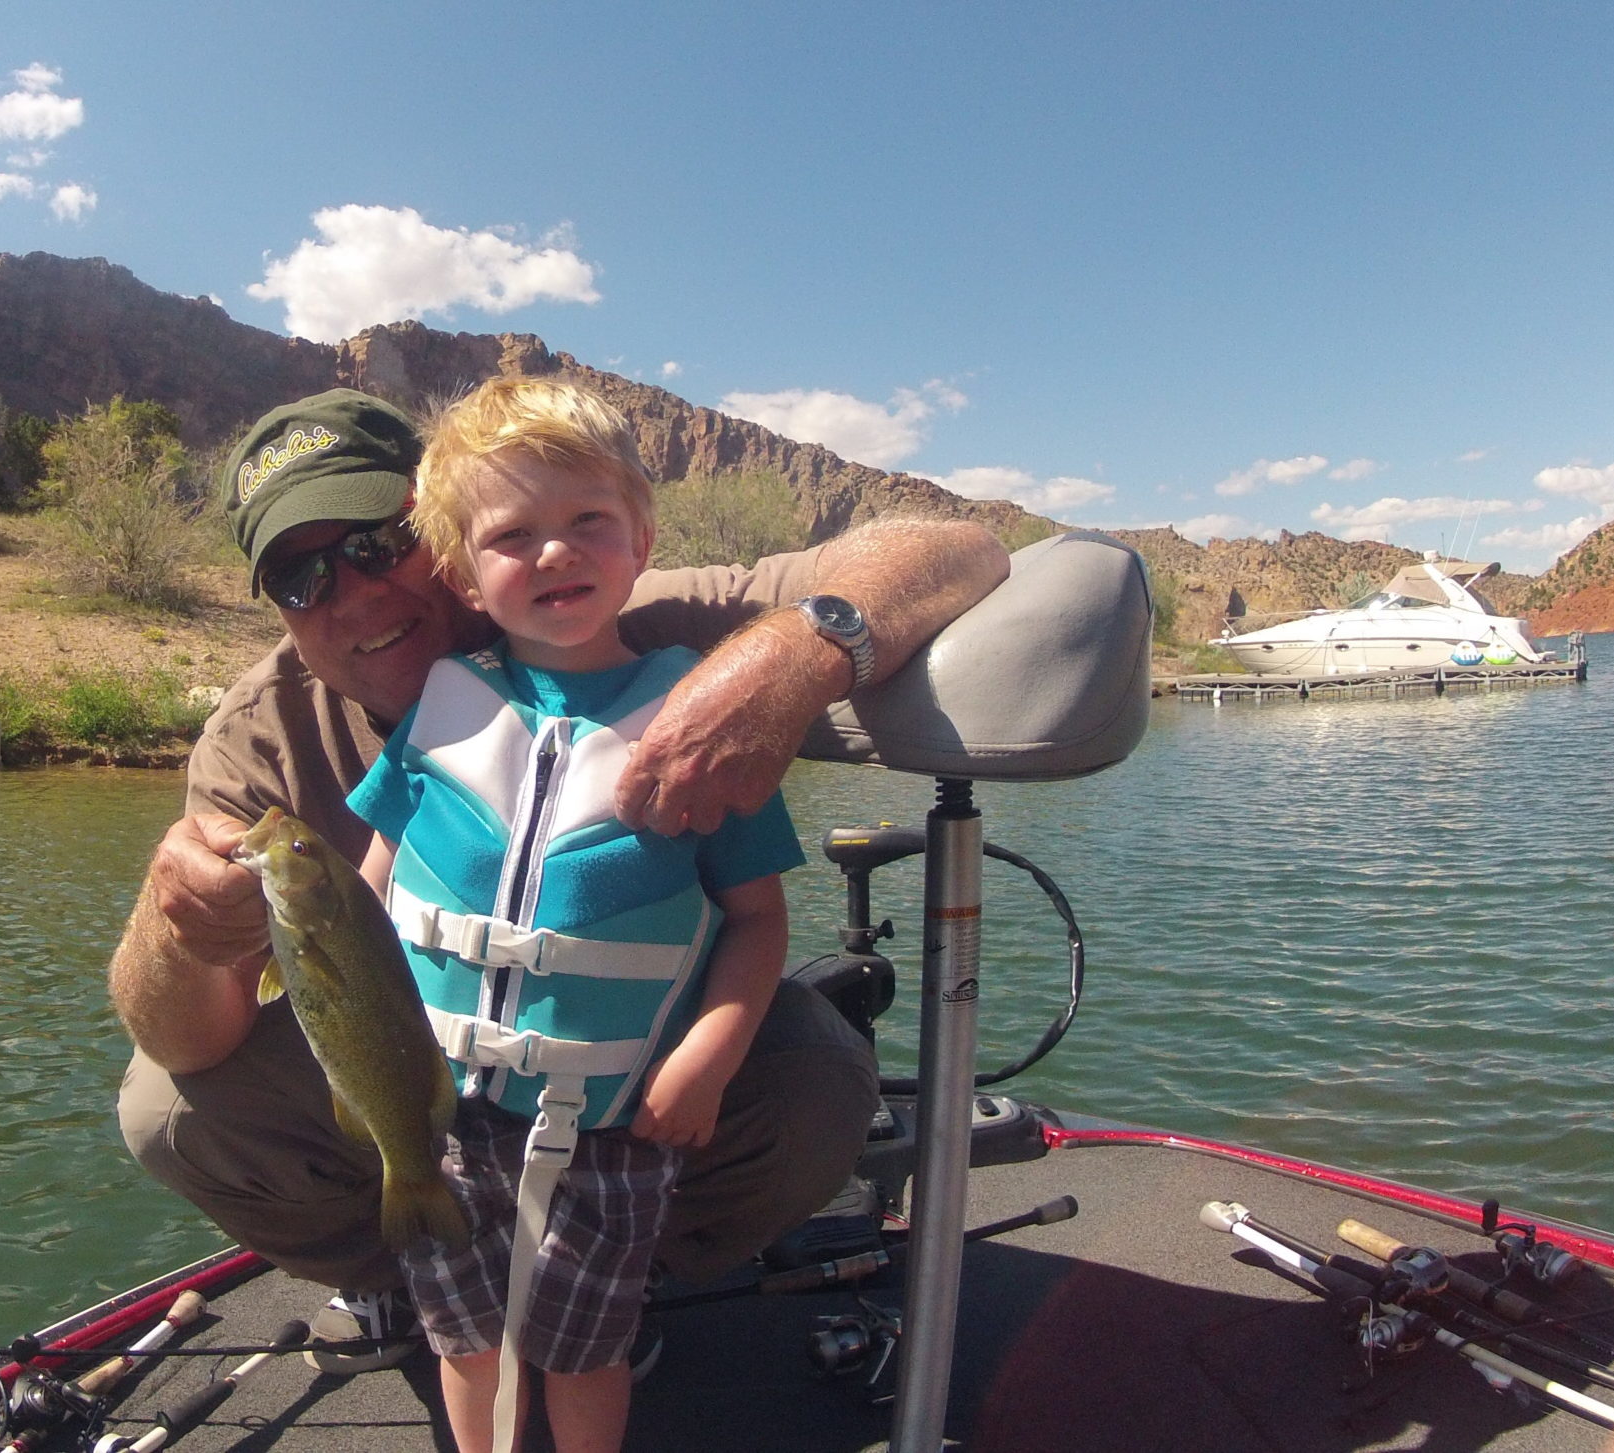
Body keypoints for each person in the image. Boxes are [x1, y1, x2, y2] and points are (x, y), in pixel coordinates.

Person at [108, 386, 1008, 1377]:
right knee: (169, 1110)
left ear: (439, 533)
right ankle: (416, 1271)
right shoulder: (260, 734)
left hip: (621, 1077)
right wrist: (175, 918)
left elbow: (959, 549)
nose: (353, 594)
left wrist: (800, 653)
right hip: (428, 1082)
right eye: (299, 576)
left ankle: (614, 1278)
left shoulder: (597, 597)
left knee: (816, 1078)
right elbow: (186, 1037)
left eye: (373, 544)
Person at [346, 377, 805, 1453]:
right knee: (466, 1338)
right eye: (514, 535)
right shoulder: (441, 707)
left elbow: (756, 919)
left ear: (640, 538)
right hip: (438, 1114)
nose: (555, 553)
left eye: (586, 522)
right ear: (462, 574)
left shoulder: (702, 719)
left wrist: (711, 1056)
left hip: (609, 1129)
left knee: (584, 1349)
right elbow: (362, 899)